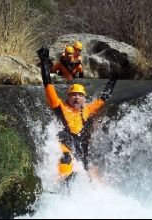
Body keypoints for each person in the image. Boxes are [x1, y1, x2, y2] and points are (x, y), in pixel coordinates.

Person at [37, 47, 117, 183]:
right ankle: (58, 184)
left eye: (80, 96)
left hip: (80, 148)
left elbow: (104, 98)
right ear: (68, 97)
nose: (77, 98)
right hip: (65, 145)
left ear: (84, 99)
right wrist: (44, 61)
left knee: (91, 171)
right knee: (66, 158)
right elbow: (48, 85)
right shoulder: (59, 106)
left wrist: (114, 79)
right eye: (74, 95)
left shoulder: (86, 110)